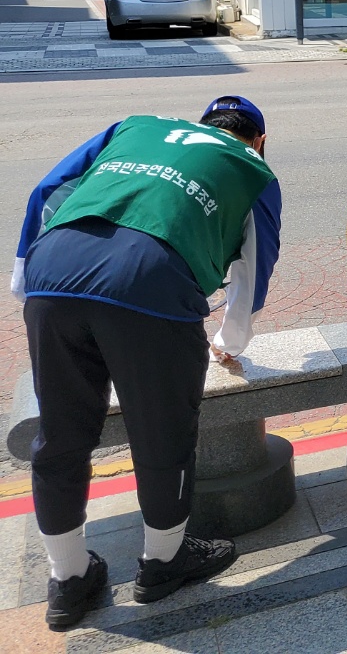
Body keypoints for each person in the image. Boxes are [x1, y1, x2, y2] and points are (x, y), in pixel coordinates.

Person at [13, 96, 282, 630]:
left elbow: (47, 191)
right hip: (151, 285)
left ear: (199, 123)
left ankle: (67, 581)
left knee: (62, 436)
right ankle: (162, 564)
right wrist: (230, 341)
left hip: (53, 273)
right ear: (260, 140)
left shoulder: (134, 126)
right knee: (163, 435)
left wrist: (27, 284)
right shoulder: (253, 170)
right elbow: (255, 265)